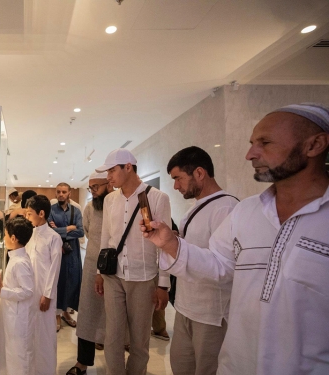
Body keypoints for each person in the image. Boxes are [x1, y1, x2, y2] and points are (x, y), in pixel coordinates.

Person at [141, 103, 329, 375]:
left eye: (264, 142)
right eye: (252, 143)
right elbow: (218, 264)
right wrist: (169, 243)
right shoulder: (247, 212)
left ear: (315, 145)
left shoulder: (227, 206)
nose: (250, 154)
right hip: (238, 361)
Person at [94, 148, 171, 375]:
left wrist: (163, 284)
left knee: (139, 341)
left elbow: (165, 244)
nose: (108, 176)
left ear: (128, 167)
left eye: (111, 170)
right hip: (113, 276)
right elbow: (106, 237)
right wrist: (100, 272)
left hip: (144, 277)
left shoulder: (157, 198)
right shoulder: (110, 200)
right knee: (113, 337)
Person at [166, 146, 239, 375]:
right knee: (181, 366)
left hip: (211, 315)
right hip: (185, 306)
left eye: (178, 178)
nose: (175, 186)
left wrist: (174, 244)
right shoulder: (194, 209)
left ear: (199, 173)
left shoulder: (226, 207)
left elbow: (225, 267)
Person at [67, 172, 113, 375]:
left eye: (96, 187)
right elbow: (87, 230)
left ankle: (114, 362)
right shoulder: (89, 208)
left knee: (114, 316)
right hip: (92, 265)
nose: (93, 192)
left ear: (109, 184)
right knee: (87, 315)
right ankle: (82, 363)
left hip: (116, 270)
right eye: (91, 188)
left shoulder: (120, 205)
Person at [25, 195, 63, 375]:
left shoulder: (54, 238)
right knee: (30, 334)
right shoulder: (29, 234)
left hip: (44, 294)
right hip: (29, 292)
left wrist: (47, 294)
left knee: (45, 336)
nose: (27, 217)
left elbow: (54, 269)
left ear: (41, 213)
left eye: (30, 213)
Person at [0, 217, 36, 375]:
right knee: (14, 356)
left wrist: (3, 291)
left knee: (20, 357)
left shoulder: (20, 262)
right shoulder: (16, 258)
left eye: (5, 235)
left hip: (19, 318)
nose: (4, 238)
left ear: (13, 238)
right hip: (14, 315)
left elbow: (28, 291)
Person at [49, 182, 84, 330]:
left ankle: (66, 312)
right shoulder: (50, 210)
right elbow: (49, 231)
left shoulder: (76, 211)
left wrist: (60, 230)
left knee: (72, 282)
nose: (61, 194)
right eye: (58, 192)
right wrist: (69, 228)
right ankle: (56, 314)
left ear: (69, 193)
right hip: (56, 252)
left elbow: (81, 232)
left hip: (72, 252)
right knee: (57, 281)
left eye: (64, 192)